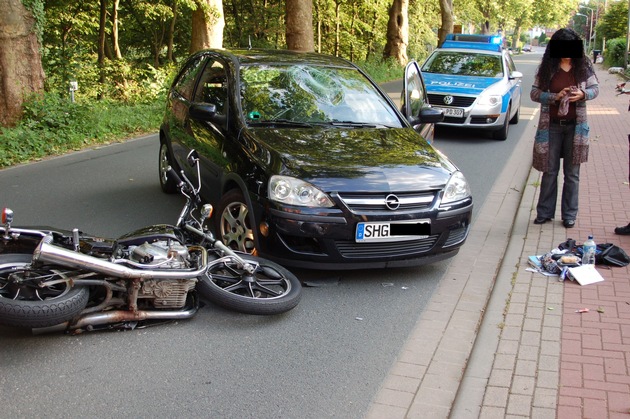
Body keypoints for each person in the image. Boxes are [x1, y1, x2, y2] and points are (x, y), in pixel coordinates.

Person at [530, 28, 599, 228]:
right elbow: (534, 93)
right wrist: (554, 97)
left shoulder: (583, 67)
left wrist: (583, 94)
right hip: (550, 127)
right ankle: (544, 213)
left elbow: (596, 89)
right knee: (549, 171)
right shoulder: (547, 69)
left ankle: (569, 215)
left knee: (572, 173)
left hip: (575, 128)